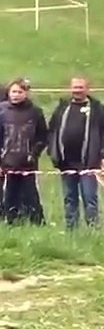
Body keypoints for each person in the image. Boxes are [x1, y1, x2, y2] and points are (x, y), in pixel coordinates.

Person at [47, 76, 104, 230]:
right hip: (66, 162)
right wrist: (52, 151)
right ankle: (72, 230)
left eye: (80, 87)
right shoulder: (63, 107)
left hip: (89, 162)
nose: (77, 90)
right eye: (75, 87)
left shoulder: (97, 109)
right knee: (69, 198)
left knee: (89, 198)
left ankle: (92, 230)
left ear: (87, 89)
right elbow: (52, 129)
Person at [0, 78, 48, 225]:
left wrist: (34, 153)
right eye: (13, 91)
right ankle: (11, 222)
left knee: (30, 194)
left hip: (27, 162)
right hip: (7, 160)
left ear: (26, 93)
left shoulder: (35, 112)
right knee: (9, 194)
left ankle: (37, 222)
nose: (16, 95)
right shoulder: (2, 110)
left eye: (19, 92)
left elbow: (43, 136)